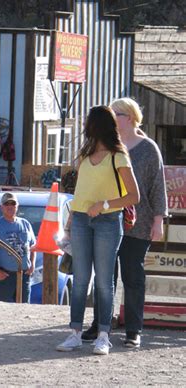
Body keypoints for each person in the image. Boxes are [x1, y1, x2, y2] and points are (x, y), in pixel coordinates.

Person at [82, 98, 167, 348]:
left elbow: (157, 187)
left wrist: (158, 220)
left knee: (133, 276)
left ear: (129, 117)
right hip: (107, 220)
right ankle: (100, 324)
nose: (110, 118)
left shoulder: (149, 148)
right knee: (104, 277)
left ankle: (133, 329)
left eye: (114, 113)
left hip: (137, 223)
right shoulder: (105, 146)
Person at [56, 105, 139, 356]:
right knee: (80, 280)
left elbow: (133, 196)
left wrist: (103, 205)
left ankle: (104, 335)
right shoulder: (84, 156)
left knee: (104, 282)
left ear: (97, 125)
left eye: (88, 122)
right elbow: (79, 194)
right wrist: (68, 227)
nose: (84, 127)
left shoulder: (119, 156)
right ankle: (75, 333)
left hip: (108, 222)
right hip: (80, 220)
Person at [0, 192, 36, 303]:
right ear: (2, 207)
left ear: (17, 206)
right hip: (5, 277)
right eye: (6, 204)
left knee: (24, 309)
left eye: (13, 203)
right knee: (2, 310)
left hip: (24, 275)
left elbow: (33, 246)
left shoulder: (26, 224)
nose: (10, 206)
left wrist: (32, 265)